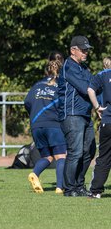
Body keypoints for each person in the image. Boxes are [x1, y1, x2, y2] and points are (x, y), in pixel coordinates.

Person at [58, 35, 96, 197]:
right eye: (83, 50)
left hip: (85, 114)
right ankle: (69, 188)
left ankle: (79, 185)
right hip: (72, 114)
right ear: (73, 50)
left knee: (90, 150)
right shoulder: (68, 66)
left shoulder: (84, 68)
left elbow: (95, 86)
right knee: (76, 151)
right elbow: (85, 87)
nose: (86, 52)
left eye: (87, 50)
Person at [24, 58, 66, 194]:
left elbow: (27, 103)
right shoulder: (61, 85)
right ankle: (60, 187)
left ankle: (35, 174)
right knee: (61, 156)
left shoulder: (37, 85)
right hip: (53, 125)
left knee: (47, 157)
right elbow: (63, 106)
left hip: (36, 125)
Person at [87, 56, 111, 199]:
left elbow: (90, 89)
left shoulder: (103, 75)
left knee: (104, 157)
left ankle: (95, 191)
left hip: (107, 120)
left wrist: (97, 107)